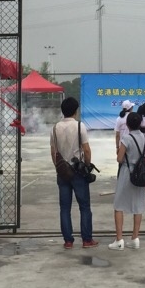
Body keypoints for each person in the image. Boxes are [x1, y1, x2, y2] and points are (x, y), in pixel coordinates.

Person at [50, 96, 98, 249]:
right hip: (78, 172)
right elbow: (86, 150)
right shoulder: (79, 126)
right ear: (75, 111)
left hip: (62, 172)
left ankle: (68, 241)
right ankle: (87, 240)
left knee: (65, 208)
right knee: (84, 207)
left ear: (62, 111)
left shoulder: (55, 128)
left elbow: (53, 152)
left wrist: (59, 167)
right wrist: (87, 166)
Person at [109, 112, 145, 251]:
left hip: (127, 172)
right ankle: (135, 238)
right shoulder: (143, 136)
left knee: (119, 205)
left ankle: (119, 240)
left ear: (127, 124)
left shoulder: (126, 138)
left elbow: (119, 159)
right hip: (140, 173)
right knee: (138, 205)